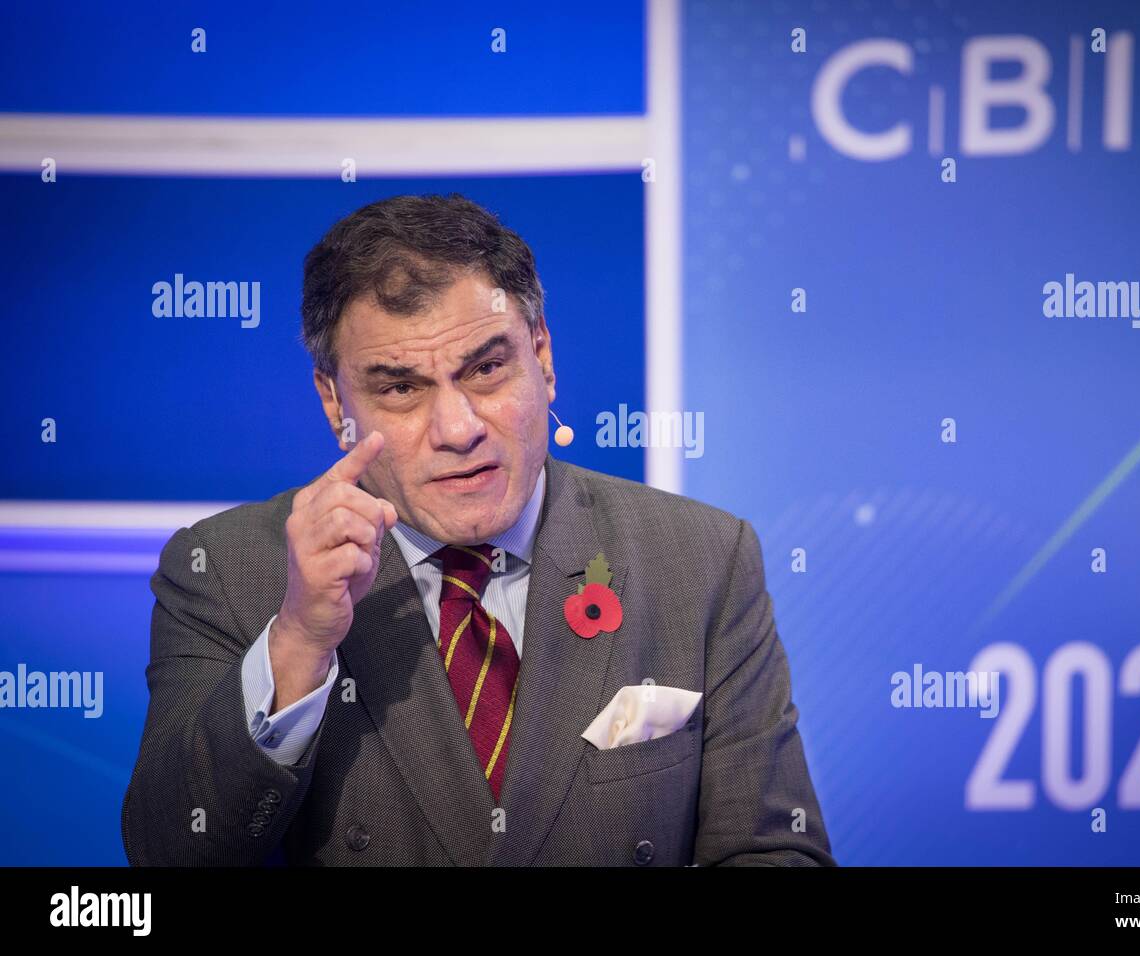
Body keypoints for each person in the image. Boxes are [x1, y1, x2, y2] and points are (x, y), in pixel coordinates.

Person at [121, 193, 834, 866]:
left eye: (488, 369)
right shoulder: (227, 571)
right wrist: (301, 640)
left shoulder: (701, 560)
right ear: (335, 401)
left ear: (543, 358)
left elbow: (775, 852)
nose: (458, 430)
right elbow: (172, 854)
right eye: (401, 387)